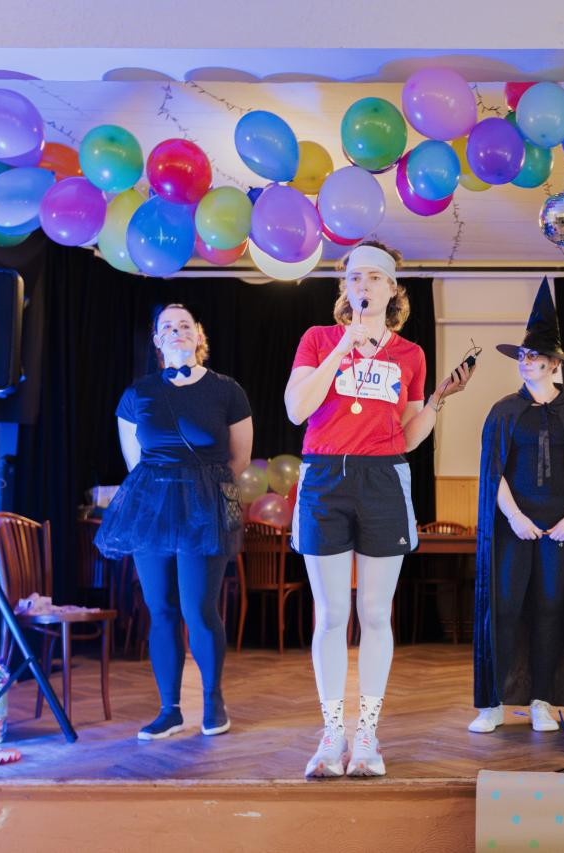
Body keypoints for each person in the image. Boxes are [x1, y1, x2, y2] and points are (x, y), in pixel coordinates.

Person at [285, 241, 473, 777]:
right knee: (330, 614)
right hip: (324, 476)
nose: (362, 285)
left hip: (383, 478)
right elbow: (297, 409)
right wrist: (344, 344)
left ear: (392, 289)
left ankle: (366, 734)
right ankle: (332, 734)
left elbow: (408, 436)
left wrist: (437, 401)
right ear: (344, 290)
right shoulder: (318, 338)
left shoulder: (410, 354)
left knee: (373, 613)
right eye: (353, 278)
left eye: (372, 277)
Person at [97, 304, 252, 741]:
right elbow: (135, 461)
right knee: (160, 608)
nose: (176, 330)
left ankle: (213, 701)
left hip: (205, 510)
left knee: (198, 608)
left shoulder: (226, 390)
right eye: (167, 326)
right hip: (153, 510)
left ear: (198, 336)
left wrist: (200, 490)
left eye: (185, 325)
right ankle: (170, 710)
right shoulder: (138, 393)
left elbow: (239, 459)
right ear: (157, 340)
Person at [470, 280, 564, 734]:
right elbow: (493, 473)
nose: (526, 362)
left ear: (554, 364)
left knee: (550, 609)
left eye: (535, 357)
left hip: (560, 528)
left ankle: (542, 701)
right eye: (523, 356)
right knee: (505, 608)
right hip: (514, 526)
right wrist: (514, 517)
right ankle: (492, 703)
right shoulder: (504, 411)